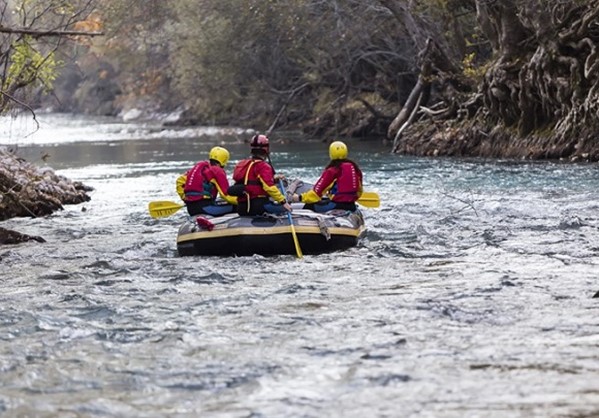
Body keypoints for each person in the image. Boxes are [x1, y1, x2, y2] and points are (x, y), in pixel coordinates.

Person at [291, 140, 363, 212]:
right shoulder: (355, 168)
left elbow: (315, 194)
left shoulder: (332, 170)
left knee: (309, 205)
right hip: (351, 206)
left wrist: (299, 198)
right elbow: (359, 192)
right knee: (324, 200)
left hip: (336, 206)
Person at [231, 134, 292, 216]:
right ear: (266, 149)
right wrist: (283, 202)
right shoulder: (263, 166)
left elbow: (252, 180)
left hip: (241, 207)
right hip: (258, 207)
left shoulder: (242, 164)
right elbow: (269, 187)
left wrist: (273, 179)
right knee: (285, 209)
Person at [176, 146, 237, 216]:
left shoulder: (202, 169)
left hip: (191, 209)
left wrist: (185, 198)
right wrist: (241, 201)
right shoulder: (217, 171)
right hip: (205, 208)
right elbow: (226, 195)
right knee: (236, 207)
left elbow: (180, 181)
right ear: (224, 160)